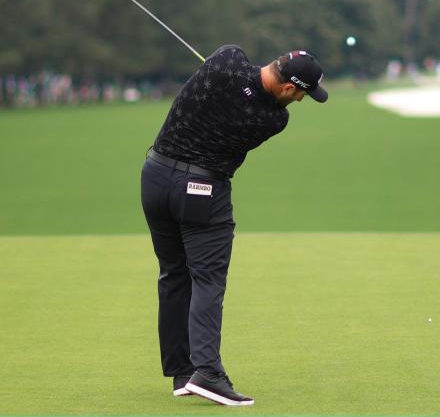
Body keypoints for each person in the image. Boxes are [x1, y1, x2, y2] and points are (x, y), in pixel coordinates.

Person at [140, 45, 327, 406]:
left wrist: (232, 78)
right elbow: (255, 100)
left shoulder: (227, 59)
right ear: (288, 88)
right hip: (201, 191)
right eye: (302, 94)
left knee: (173, 274)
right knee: (207, 279)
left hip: (155, 177)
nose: (300, 101)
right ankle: (207, 372)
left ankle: (182, 372)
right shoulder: (274, 119)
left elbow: (233, 72)